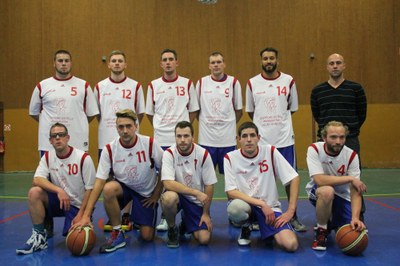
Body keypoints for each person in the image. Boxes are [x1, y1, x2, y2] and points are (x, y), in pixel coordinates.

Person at [72, 109, 163, 253]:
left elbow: (164, 169)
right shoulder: (109, 149)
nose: (125, 130)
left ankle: (139, 218)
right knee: (108, 188)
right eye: (121, 127)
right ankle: (117, 232)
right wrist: (86, 215)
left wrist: (156, 195)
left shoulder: (150, 144)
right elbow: (99, 182)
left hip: (145, 194)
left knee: (146, 237)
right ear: (116, 128)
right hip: (124, 189)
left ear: (136, 126)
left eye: (128, 126)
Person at [245, 47, 306, 232]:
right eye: (265, 58)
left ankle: (292, 215)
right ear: (261, 61)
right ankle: (258, 216)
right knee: (260, 181)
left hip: (284, 139)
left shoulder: (288, 81)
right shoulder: (252, 83)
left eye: (272, 58)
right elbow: (250, 110)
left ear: (277, 60)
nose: (268, 61)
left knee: (289, 179)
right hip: (262, 143)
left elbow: (292, 108)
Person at [16, 123, 96, 255]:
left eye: (61, 135)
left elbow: (90, 190)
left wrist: (83, 215)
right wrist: (59, 190)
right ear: (50, 141)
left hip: (77, 205)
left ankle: (83, 221)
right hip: (60, 201)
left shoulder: (83, 158)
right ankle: (39, 236)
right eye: (54, 136)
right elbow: (37, 179)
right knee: (34, 192)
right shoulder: (48, 157)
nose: (58, 138)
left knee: (77, 242)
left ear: (68, 137)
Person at [224, 122, 299, 252]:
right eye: (245, 136)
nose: (249, 139)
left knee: (291, 245)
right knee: (235, 208)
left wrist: (291, 211)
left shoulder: (270, 151)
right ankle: (246, 226)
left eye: (252, 135)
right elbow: (231, 191)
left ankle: (267, 229)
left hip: (271, 209)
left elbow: (294, 178)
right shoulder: (230, 158)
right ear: (238, 139)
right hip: (248, 206)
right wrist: (261, 204)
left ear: (258, 138)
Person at [146, 48, 199, 231]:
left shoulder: (187, 83)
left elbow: (193, 110)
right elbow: (149, 113)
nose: (168, 62)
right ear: (161, 64)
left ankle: (186, 211)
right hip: (161, 138)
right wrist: (163, 128)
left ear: (177, 62)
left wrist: (182, 130)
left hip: (181, 139)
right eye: (164, 60)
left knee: (183, 175)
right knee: (164, 177)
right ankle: (164, 214)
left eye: (171, 59)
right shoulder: (153, 85)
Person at [94, 50, 146, 232]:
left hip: (128, 142)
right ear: (109, 64)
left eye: (120, 61)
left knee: (129, 178)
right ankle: (114, 214)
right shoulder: (100, 86)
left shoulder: (135, 86)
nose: (116, 63)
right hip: (106, 141)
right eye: (113, 61)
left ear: (125, 64)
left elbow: (139, 114)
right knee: (109, 182)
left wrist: (127, 130)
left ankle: (126, 214)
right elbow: (97, 113)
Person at [306, 121, 367, 251]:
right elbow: (319, 180)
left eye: (342, 137)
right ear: (324, 137)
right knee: (328, 191)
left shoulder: (351, 156)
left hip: (343, 196)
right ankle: (321, 230)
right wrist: (350, 178)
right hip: (319, 192)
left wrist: (355, 217)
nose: (338, 141)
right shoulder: (315, 149)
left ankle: (331, 221)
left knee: (354, 232)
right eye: (333, 137)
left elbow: (355, 190)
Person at [29, 49, 99, 156]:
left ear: (71, 63)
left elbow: (91, 114)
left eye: (66, 61)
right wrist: (48, 123)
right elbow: (33, 113)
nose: (63, 64)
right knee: (49, 172)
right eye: (60, 61)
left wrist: (77, 123)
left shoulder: (83, 85)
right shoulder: (42, 85)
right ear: (54, 63)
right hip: (49, 145)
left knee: (78, 172)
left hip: (77, 141)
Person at [160, 121, 217, 248]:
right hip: (178, 197)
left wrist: (206, 213)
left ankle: (186, 222)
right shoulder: (169, 153)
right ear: (175, 137)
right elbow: (167, 183)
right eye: (179, 136)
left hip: (195, 202)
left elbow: (209, 185)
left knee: (203, 239)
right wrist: (195, 192)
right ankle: (172, 228)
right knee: (169, 198)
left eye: (186, 136)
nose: (182, 140)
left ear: (193, 137)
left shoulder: (203, 154)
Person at [310, 53, 367, 156]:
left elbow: (362, 114)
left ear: (344, 66)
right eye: (331, 63)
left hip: (350, 140)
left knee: (351, 172)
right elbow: (317, 115)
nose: (335, 66)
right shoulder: (317, 91)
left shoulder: (356, 89)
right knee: (324, 172)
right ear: (327, 67)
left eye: (338, 63)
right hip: (325, 141)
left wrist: (348, 131)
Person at [196, 52, 243, 174]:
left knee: (231, 178)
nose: (216, 65)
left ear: (224, 64)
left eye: (218, 62)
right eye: (213, 63)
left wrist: (227, 124)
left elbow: (238, 111)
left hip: (228, 141)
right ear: (209, 66)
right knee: (205, 178)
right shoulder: (201, 83)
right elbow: (196, 111)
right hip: (206, 141)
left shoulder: (233, 83)